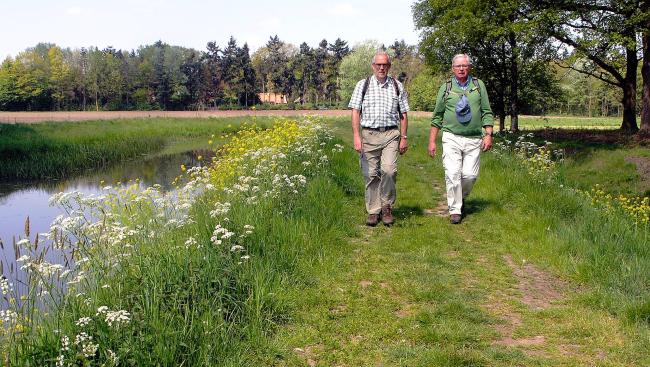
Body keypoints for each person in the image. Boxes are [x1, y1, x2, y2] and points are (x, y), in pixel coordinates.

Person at [428, 54, 494, 224]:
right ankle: (455, 209)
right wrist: (432, 141)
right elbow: (437, 116)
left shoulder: (479, 86)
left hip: (473, 139)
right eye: (458, 66)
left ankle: (461, 198)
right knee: (452, 173)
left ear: (469, 67)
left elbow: (486, 111)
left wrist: (488, 134)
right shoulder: (446, 87)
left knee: (470, 175)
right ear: (453, 68)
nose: (462, 69)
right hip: (451, 137)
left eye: (465, 66)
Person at [349, 51, 409, 226]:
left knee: (389, 170)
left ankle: (387, 206)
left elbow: (404, 114)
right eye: (378, 65)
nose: (381, 68)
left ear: (389, 66)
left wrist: (404, 137)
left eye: (385, 65)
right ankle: (374, 211)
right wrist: (356, 136)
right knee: (370, 174)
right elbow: (355, 111)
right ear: (373, 66)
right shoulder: (363, 85)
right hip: (369, 134)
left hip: (391, 134)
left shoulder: (397, 86)